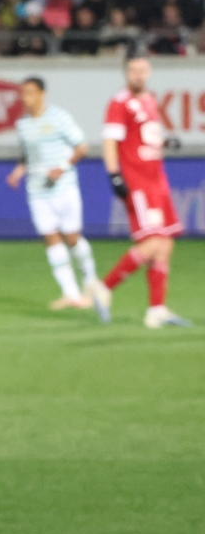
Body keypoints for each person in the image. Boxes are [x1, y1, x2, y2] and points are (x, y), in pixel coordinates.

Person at [6, 77, 108, 319]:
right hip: (37, 190)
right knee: (50, 238)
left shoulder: (59, 117)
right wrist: (18, 172)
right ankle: (71, 294)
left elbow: (82, 146)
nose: (26, 98)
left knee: (71, 238)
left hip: (63, 188)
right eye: (23, 93)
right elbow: (28, 155)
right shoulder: (22, 123)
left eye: (31, 92)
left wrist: (61, 168)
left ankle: (91, 281)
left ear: (42, 94)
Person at [100, 53, 189, 328]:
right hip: (138, 182)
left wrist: (166, 142)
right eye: (133, 70)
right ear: (126, 73)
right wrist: (114, 175)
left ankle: (156, 310)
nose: (138, 75)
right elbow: (110, 141)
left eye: (142, 70)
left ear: (148, 72)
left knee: (166, 243)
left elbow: (145, 138)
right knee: (151, 243)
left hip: (157, 180)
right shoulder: (119, 102)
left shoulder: (149, 100)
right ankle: (104, 288)